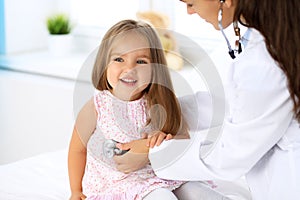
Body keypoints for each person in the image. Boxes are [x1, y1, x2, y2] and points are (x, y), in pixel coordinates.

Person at [114, 0, 300, 199]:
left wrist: (152, 153)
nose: (189, 12)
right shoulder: (266, 41)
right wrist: (162, 110)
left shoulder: (264, 63)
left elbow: (231, 153)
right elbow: (231, 104)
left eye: (191, 3)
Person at [67, 19, 190, 200]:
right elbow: (77, 150)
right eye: (119, 59)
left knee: (196, 191)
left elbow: (183, 142)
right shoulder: (97, 106)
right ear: (104, 64)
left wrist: (163, 139)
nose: (129, 69)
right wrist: (76, 191)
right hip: (114, 187)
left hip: (157, 180)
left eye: (140, 61)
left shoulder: (160, 103)